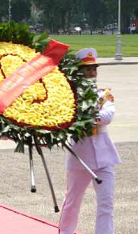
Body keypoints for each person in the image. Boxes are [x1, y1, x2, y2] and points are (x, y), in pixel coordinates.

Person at [58, 48, 121, 234]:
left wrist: (85, 117)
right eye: (87, 69)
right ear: (79, 72)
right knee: (72, 201)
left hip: (104, 156)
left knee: (106, 204)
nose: (92, 73)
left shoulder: (103, 95)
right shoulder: (70, 98)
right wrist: (89, 116)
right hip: (80, 156)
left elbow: (108, 115)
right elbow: (67, 119)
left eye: (94, 69)